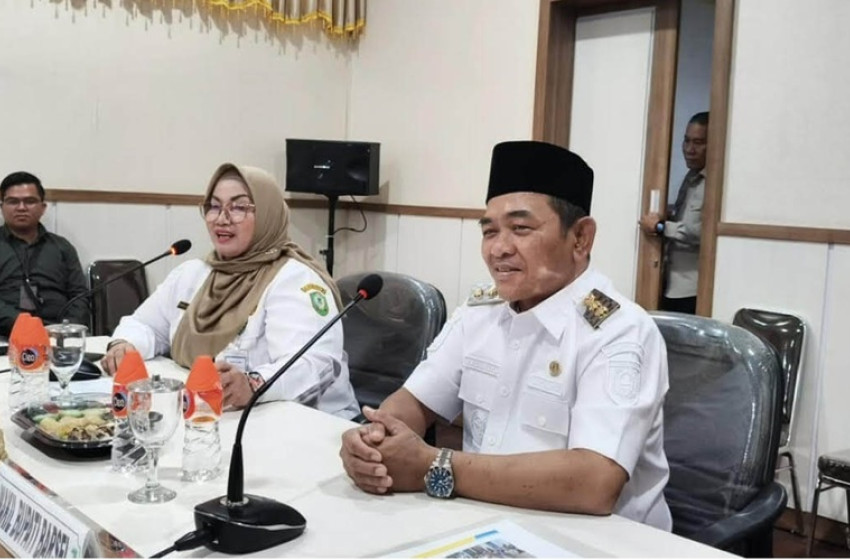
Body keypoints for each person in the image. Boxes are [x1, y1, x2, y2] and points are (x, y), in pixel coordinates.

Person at [339, 141, 672, 531]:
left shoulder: (620, 331)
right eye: (489, 231)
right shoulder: (480, 314)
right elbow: (414, 401)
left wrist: (434, 465)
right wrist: (375, 441)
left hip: (596, 541)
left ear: (581, 238)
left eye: (520, 229)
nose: (498, 249)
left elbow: (594, 483)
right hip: (483, 525)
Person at [101, 163, 359, 419]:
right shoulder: (194, 273)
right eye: (214, 206)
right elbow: (145, 324)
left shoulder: (294, 279)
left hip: (306, 422)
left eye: (239, 207)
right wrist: (125, 345)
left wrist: (253, 384)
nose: (221, 219)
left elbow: (313, 364)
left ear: (267, 213)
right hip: (212, 415)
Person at [0, 171, 89, 336]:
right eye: (13, 202)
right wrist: (28, 328)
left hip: (60, 335)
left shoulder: (62, 247)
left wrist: (67, 330)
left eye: (30, 201)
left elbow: (79, 296)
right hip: (6, 335)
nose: (21, 208)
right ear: (2, 207)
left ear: (42, 208)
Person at [640, 112, 709, 314]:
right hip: (670, 281)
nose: (689, 149)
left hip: (690, 288)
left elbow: (699, 233)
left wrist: (659, 227)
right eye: (686, 141)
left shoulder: (712, 184)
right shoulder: (691, 177)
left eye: (698, 143)